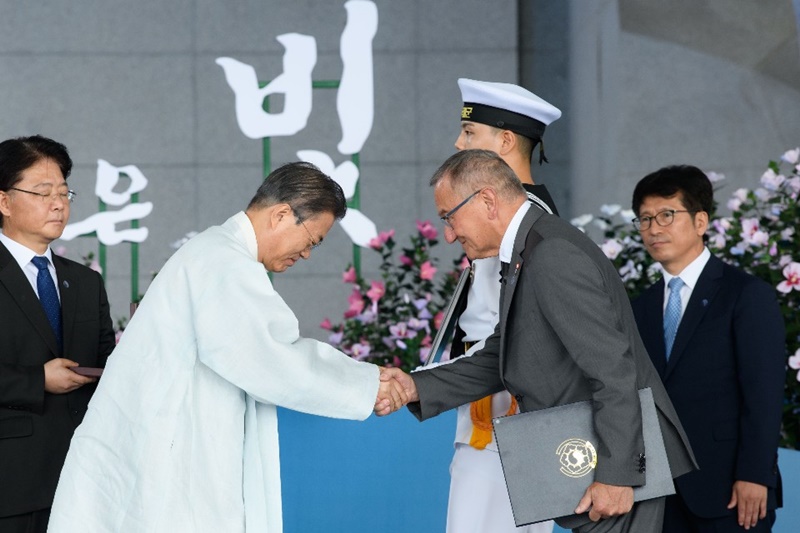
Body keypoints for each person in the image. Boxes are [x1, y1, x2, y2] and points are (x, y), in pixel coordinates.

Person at [47, 162, 406, 533]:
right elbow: (271, 359)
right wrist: (367, 384)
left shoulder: (216, 252)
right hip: (169, 461)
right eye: (312, 240)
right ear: (282, 214)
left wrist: (364, 378)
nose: (308, 254)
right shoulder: (224, 262)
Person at [383, 149, 697, 533]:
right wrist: (417, 385)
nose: (449, 232)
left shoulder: (550, 253)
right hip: (592, 463)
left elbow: (614, 368)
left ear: (486, 200)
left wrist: (618, 476)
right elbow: (504, 353)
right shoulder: (527, 248)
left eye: (449, 216)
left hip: (617, 472)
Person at [629, 165, 785, 532]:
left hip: (731, 490)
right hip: (659, 494)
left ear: (701, 221)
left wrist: (755, 475)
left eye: (667, 214)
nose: (654, 228)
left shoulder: (745, 295)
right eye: (645, 218)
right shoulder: (639, 307)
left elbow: (763, 395)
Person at [436, 78, 561, 533]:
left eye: (470, 134)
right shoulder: (525, 215)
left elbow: (504, 330)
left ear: (506, 141)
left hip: (502, 421)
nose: (457, 142)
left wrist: (418, 386)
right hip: (493, 418)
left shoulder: (519, 222)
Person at [0, 135, 116, 533]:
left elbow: (106, 364)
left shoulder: (85, 282)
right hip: (11, 482)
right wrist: (38, 381)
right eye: (43, 192)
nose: (58, 203)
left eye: (65, 193)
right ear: (3, 202)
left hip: (83, 478)